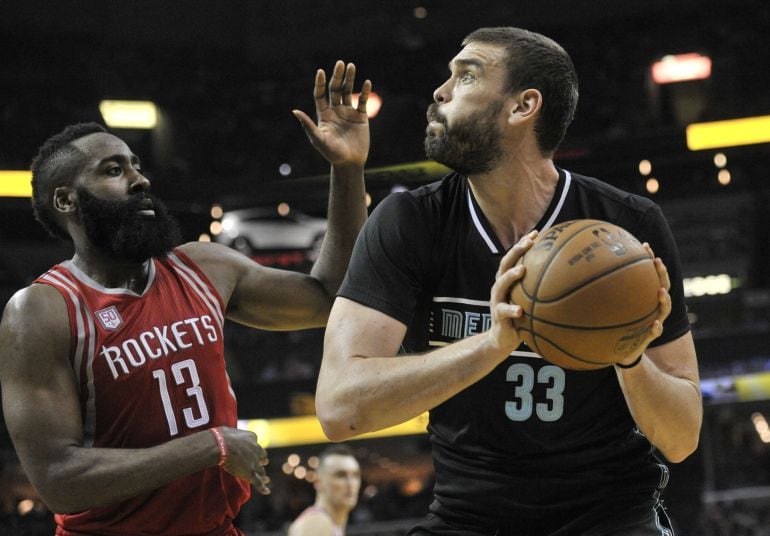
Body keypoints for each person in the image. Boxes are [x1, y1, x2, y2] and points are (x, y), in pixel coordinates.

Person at [317, 27, 702, 535]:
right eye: (448, 75)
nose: (441, 90)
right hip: (470, 516)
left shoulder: (628, 228)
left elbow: (681, 438)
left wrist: (629, 357)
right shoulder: (409, 222)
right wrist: (496, 343)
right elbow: (339, 408)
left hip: (612, 515)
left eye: (467, 75)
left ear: (524, 106)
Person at [0, 60, 371, 535]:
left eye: (136, 165)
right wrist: (209, 447)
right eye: (113, 170)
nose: (140, 179)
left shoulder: (204, 266)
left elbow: (328, 298)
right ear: (66, 201)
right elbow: (59, 481)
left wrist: (346, 170)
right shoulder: (42, 310)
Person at [287, 444, 361, 536]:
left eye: (355, 475)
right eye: (340, 475)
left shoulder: (329, 523)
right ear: (318, 482)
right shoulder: (316, 523)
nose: (351, 483)